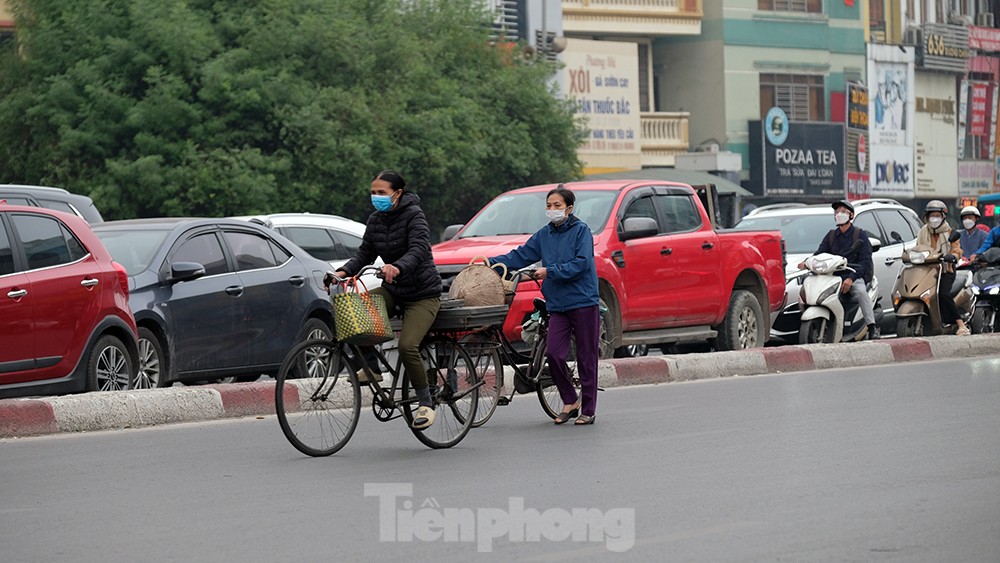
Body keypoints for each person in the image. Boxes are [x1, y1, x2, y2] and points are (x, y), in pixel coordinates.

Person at [327, 170, 443, 429]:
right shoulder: (376, 219)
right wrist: (341, 273)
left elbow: (418, 249)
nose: (376, 197)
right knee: (357, 311)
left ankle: (426, 402)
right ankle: (372, 369)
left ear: (398, 193)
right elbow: (365, 254)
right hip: (394, 290)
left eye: (382, 193)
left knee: (407, 346)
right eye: (373, 193)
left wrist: (398, 267)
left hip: (423, 294)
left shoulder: (415, 216)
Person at [489, 186, 600, 425]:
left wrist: (550, 271)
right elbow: (520, 255)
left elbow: (581, 263)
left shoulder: (581, 232)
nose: (552, 210)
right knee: (553, 353)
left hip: (583, 301)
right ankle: (570, 400)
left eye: (557, 206)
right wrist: (491, 262)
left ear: (569, 209)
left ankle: (588, 409)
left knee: (586, 356)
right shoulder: (544, 234)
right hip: (558, 304)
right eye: (549, 206)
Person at [797, 200, 879, 339]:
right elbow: (820, 253)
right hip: (832, 276)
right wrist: (806, 262)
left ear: (851, 215)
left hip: (853, 275)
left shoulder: (860, 235)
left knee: (860, 292)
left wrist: (850, 279)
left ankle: (872, 327)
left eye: (843, 211)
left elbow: (865, 262)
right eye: (837, 212)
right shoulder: (831, 235)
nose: (839, 214)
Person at [918, 200, 969, 336]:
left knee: (943, 294)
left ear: (943, 217)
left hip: (945, 270)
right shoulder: (922, 232)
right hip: (926, 271)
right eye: (931, 215)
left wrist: (953, 256)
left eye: (937, 215)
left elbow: (957, 249)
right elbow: (917, 248)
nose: (934, 218)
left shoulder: (949, 232)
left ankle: (961, 325)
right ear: (927, 217)